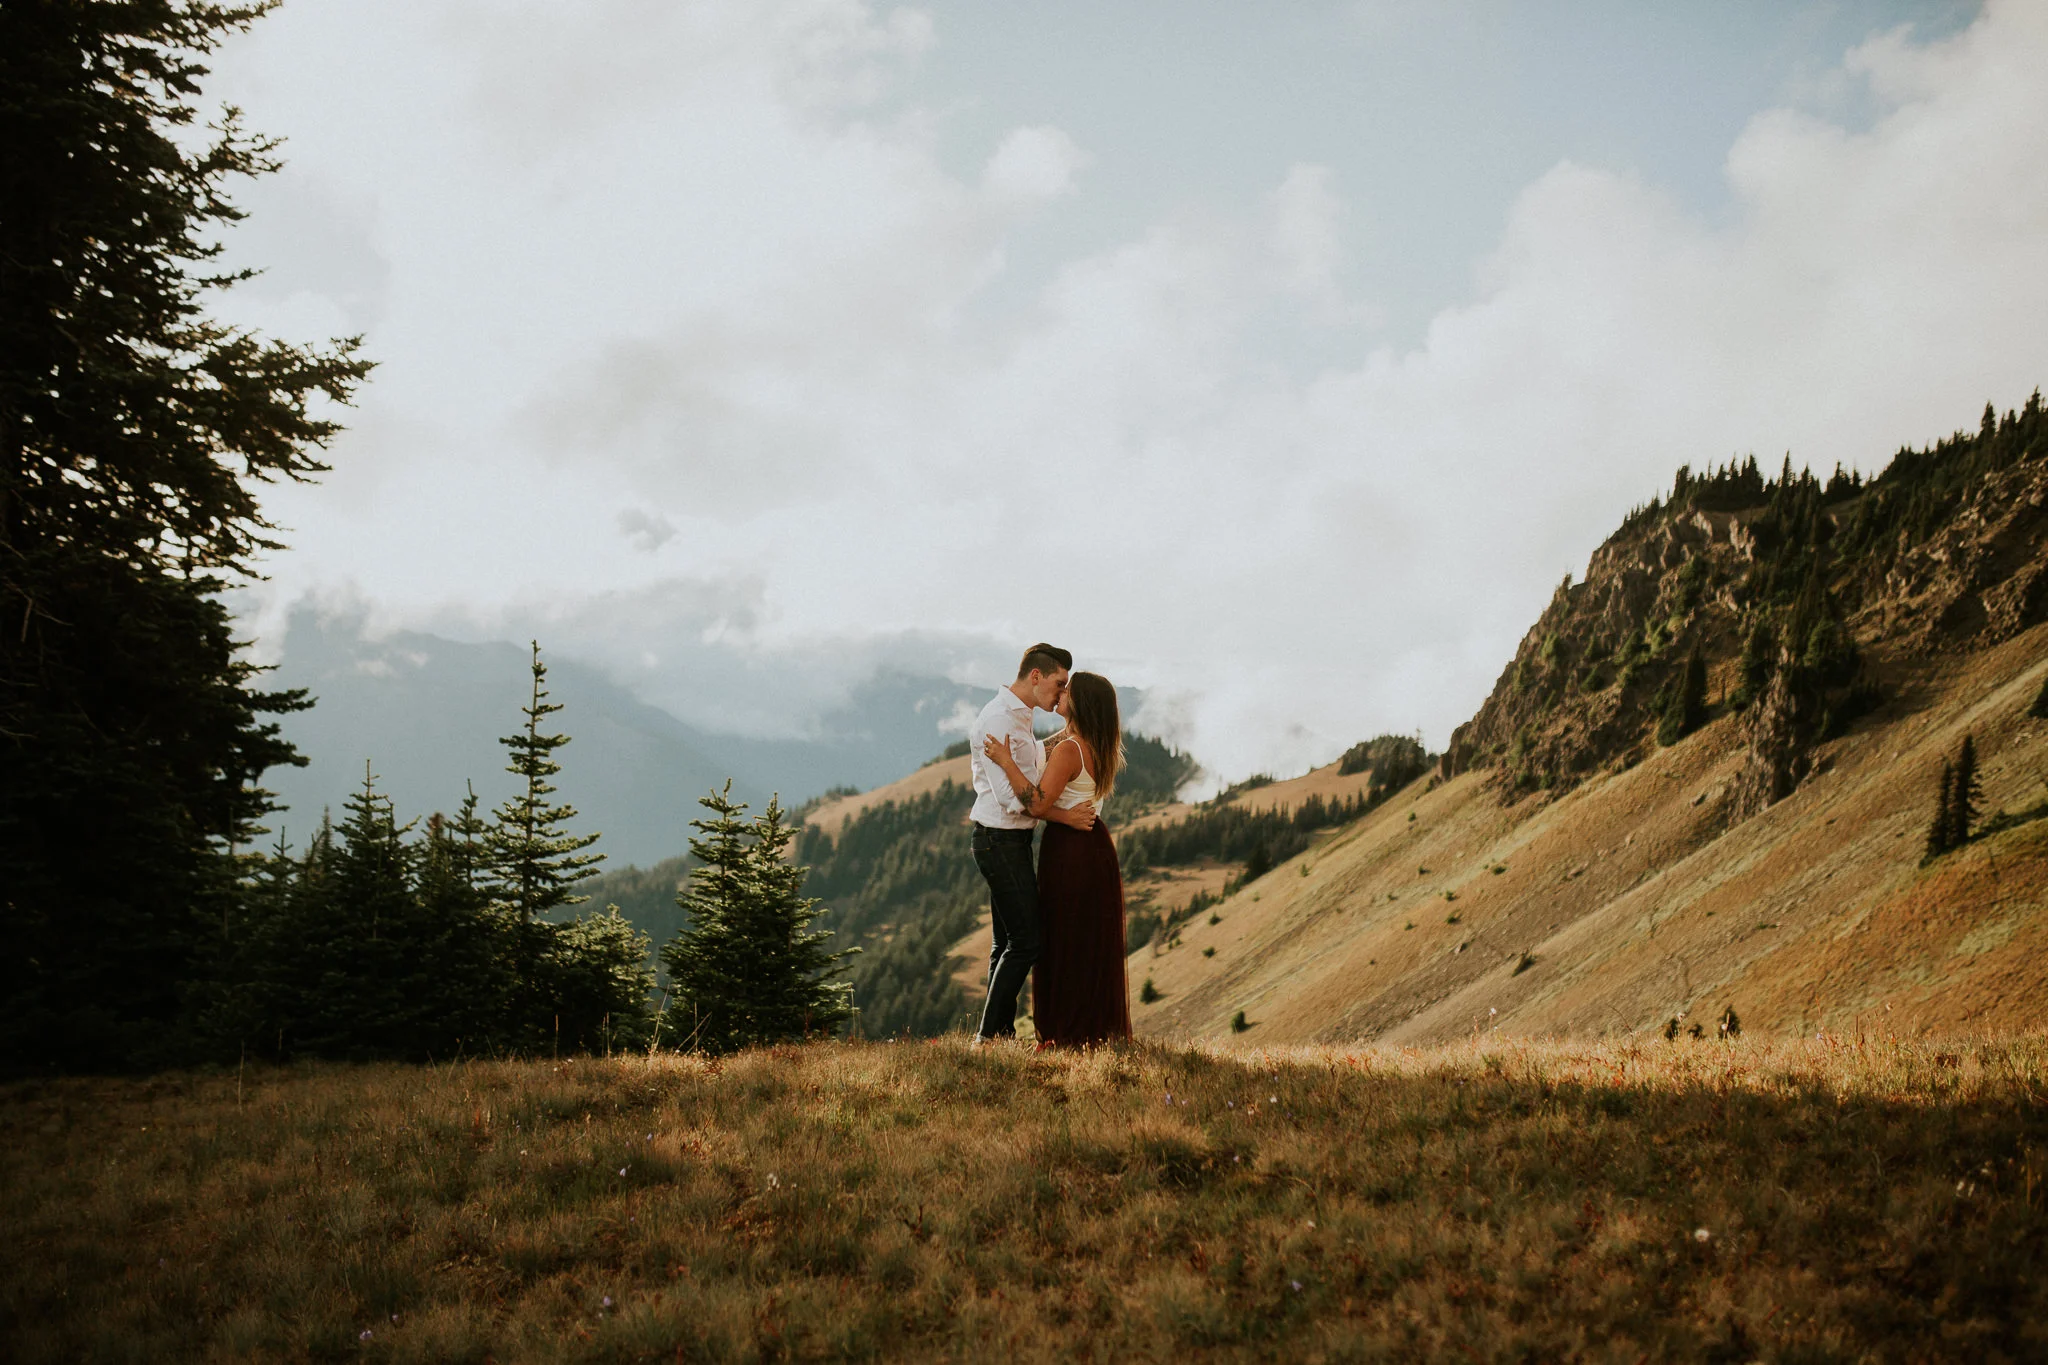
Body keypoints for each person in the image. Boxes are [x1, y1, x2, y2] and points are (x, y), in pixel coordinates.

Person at [982, 669, 1131, 1049]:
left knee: (1062, 941)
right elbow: (1044, 749)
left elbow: (1035, 803)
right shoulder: (1095, 744)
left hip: (1069, 852)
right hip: (1096, 846)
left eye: (1068, 690)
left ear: (1081, 703)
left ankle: (1065, 1029)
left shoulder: (1069, 750)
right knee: (1088, 942)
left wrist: (1004, 759)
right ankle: (1093, 1028)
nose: (1061, 693)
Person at [967, 643, 1095, 1044]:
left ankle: (1000, 1033)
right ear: (1035, 676)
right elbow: (1014, 798)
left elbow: (1032, 759)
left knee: (1005, 941)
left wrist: (1069, 735)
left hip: (1007, 840)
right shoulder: (999, 719)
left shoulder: (1018, 717)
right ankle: (987, 1038)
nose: (1061, 694)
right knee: (1027, 942)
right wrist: (1065, 816)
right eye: (1059, 684)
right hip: (999, 840)